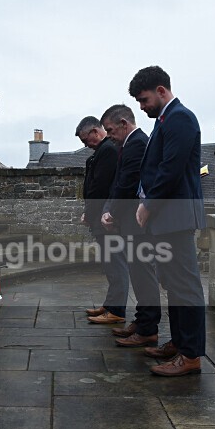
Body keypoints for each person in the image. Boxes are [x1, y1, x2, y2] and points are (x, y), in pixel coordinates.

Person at [129, 65, 207, 376]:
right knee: (174, 285)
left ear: (161, 91)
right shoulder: (166, 119)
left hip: (176, 217)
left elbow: (170, 169)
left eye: (144, 99)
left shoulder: (180, 118)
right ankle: (179, 342)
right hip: (168, 218)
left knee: (185, 287)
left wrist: (148, 205)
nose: (141, 106)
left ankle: (191, 355)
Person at [94, 105, 162, 343]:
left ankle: (147, 329)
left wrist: (112, 213)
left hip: (137, 222)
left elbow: (128, 183)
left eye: (111, 130)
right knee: (138, 274)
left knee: (143, 275)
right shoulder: (129, 144)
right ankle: (142, 322)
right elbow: (119, 182)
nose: (109, 136)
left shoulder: (137, 143)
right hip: (131, 221)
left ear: (124, 124)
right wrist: (109, 210)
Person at [75, 116, 125, 324]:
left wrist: (89, 213)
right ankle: (111, 304)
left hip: (106, 218)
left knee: (115, 264)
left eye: (86, 140)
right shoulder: (102, 151)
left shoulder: (108, 151)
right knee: (109, 263)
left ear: (95, 132)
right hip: (100, 216)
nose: (86, 145)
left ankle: (117, 310)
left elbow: (100, 188)